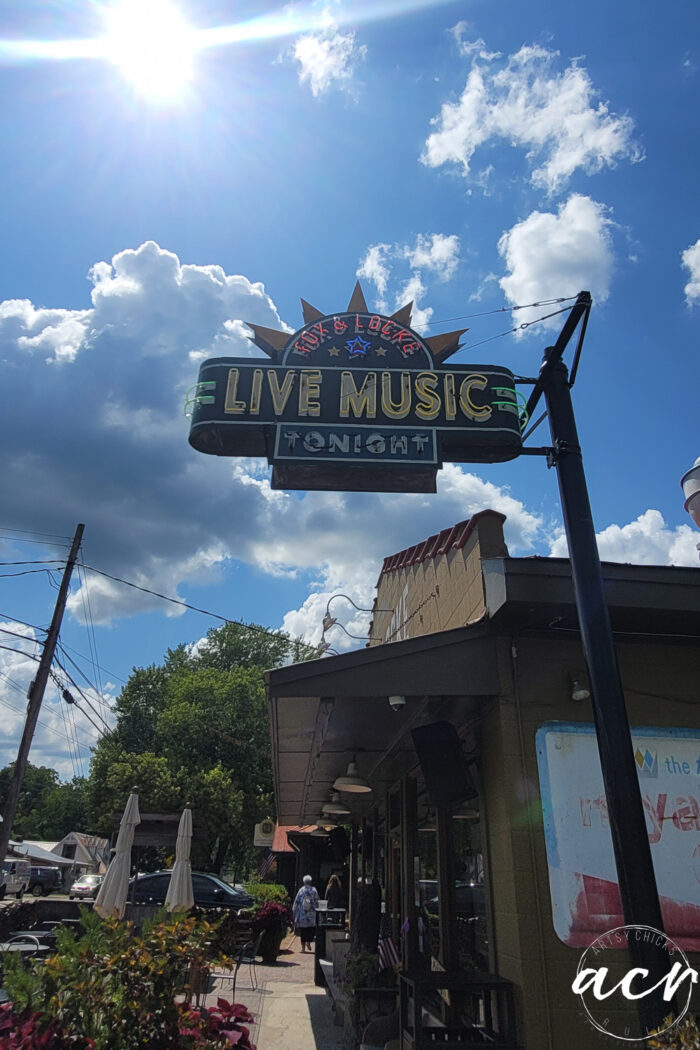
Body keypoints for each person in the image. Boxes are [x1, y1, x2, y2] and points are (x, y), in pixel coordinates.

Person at [293, 874, 319, 952]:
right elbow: (317, 901)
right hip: (311, 915)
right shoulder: (314, 890)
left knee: (303, 931)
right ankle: (308, 942)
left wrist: (294, 912)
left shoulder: (301, 890)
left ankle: (303, 948)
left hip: (302, 914)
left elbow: (296, 902)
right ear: (310, 882)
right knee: (311, 930)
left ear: (304, 882)